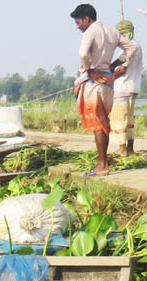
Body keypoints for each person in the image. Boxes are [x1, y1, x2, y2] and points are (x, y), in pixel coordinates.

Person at [71, 4, 139, 175]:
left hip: (93, 83)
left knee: (97, 124)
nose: (77, 25)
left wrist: (89, 70)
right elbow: (132, 47)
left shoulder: (91, 31)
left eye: (78, 21)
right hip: (108, 82)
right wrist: (114, 64)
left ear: (87, 19)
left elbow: (83, 53)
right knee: (104, 122)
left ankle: (102, 165)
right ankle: (103, 162)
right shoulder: (112, 32)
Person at [109, 20, 143, 156]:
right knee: (129, 119)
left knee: (118, 119)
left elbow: (122, 69)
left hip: (122, 88)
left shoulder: (130, 48)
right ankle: (130, 148)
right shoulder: (137, 46)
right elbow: (118, 63)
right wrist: (109, 67)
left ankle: (122, 148)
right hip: (133, 88)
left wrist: (110, 78)